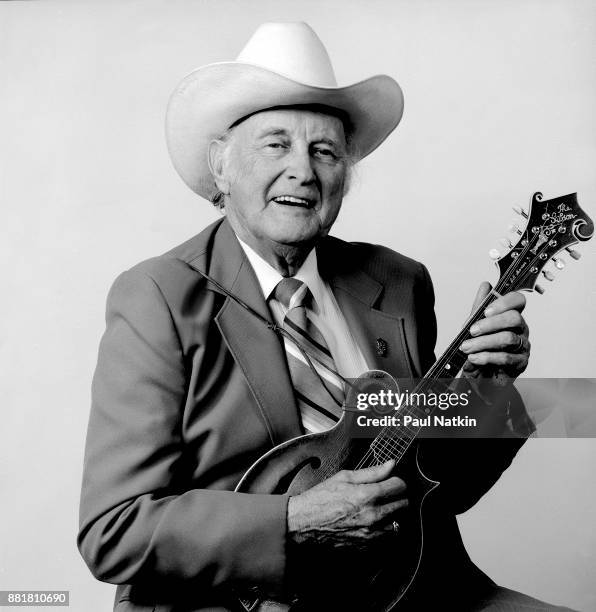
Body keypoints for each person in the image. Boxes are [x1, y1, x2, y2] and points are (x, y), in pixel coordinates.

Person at [78, 22, 572, 612]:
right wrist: (293, 520)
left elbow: (445, 485)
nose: (303, 171)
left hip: (409, 586)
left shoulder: (398, 282)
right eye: (275, 144)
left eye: (325, 151)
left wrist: (489, 383)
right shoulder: (156, 296)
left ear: (345, 175)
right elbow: (113, 529)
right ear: (221, 166)